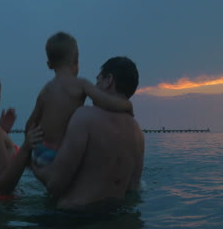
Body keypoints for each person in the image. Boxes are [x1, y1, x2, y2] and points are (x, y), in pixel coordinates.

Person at [32, 57, 145, 212]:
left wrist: (31, 164)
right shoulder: (138, 132)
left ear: (108, 80)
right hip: (115, 217)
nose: (95, 86)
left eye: (98, 80)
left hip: (75, 218)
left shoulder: (85, 117)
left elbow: (55, 184)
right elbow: (133, 189)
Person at [26, 32, 133, 166]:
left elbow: (30, 123)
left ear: (49, 64)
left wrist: (30, 151)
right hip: (57, 155)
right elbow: (104, 101)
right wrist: (127, 106)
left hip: (39, 152)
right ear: (76, 60)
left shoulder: (45, 90)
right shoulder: (80, 84)